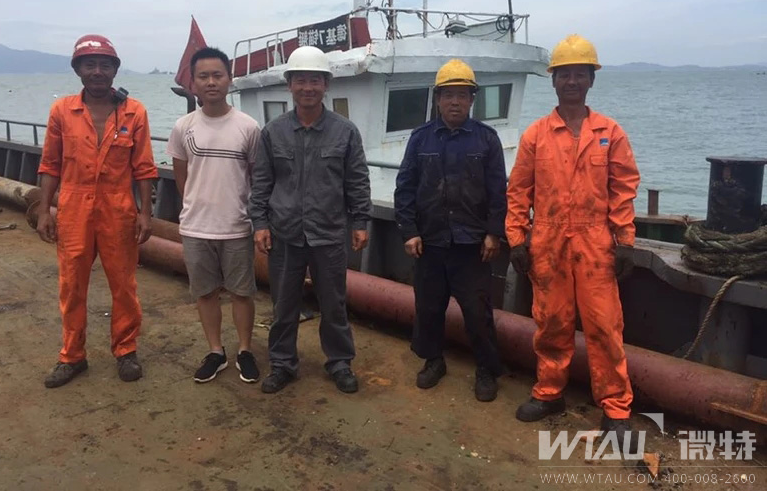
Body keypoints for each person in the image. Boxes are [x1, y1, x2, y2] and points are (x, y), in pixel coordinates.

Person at [506, 35, 640, 444]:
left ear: (591, 80)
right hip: (547, 241)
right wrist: (516, 237)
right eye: (564, 74)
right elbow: (519, 191)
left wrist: (625, 240)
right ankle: (549, 392)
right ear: (553, 80)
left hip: (596, 243)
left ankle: (615, 409)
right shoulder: (536, 135)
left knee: (604, 326)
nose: (572, 81)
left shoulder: (610, 132)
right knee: (551, 323)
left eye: (580, 74)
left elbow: (623, 189)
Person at [249, 45, 372, 394]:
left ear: (326, 85)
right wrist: (260, 223)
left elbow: (357, 180)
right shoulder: (273, 132)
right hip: (284, 234)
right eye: (300, 80)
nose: (308, 87)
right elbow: (261, 182)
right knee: (283, 305)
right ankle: (282, 364)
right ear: (289, 84)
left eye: (315, 80)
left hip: (329, 234)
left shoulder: (345, 132)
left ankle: (339, 362)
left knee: (334, 304)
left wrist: (360, 222)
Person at [37, 34, 157, 388]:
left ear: (115, 70)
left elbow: (144, 169)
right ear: (78, 70)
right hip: (73, 207)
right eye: (90, 64)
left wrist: (145, 214)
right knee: (72, 285)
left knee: (124, 284)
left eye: (105, 65)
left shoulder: (134, 111)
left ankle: (126, 350)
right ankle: (72, 356)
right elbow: (50, 165)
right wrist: (44, 211)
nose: (98, 71)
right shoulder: (62, 111)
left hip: (118, 208)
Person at [394, 59, 507, 402]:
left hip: (472, 245)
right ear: (438, 99)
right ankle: (433, 361)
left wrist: (494, 233)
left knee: (477, 312)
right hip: (430, 242)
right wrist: (409, 231)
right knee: (428, 308)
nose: (455, 102)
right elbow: (405, 187)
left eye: (462, 95)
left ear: (472, 99)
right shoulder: (420, 138)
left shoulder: (487, 139)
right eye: (448, 95)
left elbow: (498, 191)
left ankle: (486, 369)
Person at [166, 47, 261, 384]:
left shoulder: (248, 127)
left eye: (217, 75)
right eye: (203, 76)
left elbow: (255, 177)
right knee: (205, 293)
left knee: (242, 292)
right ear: (193, 82)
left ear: (229, 80)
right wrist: (197, 205)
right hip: (196, 227)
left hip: (236, 226)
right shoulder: (184, 127)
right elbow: (181, 176)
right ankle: (216, 351)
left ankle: (245, 350)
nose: (211, 82)